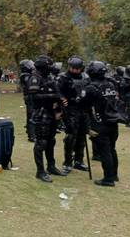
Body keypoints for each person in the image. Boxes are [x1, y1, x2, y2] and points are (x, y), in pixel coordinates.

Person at [26, 55, 66, 183]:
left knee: (51, 141)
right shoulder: (35, 78)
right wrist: (53, 96)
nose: (51, 68)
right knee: (41, 142)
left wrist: (60, 98)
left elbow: (57, 91)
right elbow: (34, 97)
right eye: (49, 66)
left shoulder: (49, 77)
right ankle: (40, 171)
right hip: (41, 113)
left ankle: (51, 166)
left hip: (51, 112)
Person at [85, 61, 121, 187]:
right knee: (112, 149)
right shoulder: (111, 85)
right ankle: (114, 174)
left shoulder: (91, 88)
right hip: (113, 121)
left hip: (100, 122)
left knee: (105, 151)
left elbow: (85, 105)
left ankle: (108, 178)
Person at [57, 56, 90, 174]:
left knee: (82, 135)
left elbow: (89, 89)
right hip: (70, 109)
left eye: (77, 68)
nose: (75, 70)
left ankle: (79, 160)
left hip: (83, 109)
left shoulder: (85, 77)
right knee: (71, 136)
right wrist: (62, 99)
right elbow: (58, 91)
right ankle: (67, 162)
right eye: (73, 68)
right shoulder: (63, 78)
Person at [19, 59, 35, 142]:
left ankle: (30, 131)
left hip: (30, 97)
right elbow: (30, 85)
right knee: (31, 115)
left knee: (31, 114)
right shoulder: (25, 76)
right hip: (30, 97)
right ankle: (31, 135)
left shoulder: (28, 75)